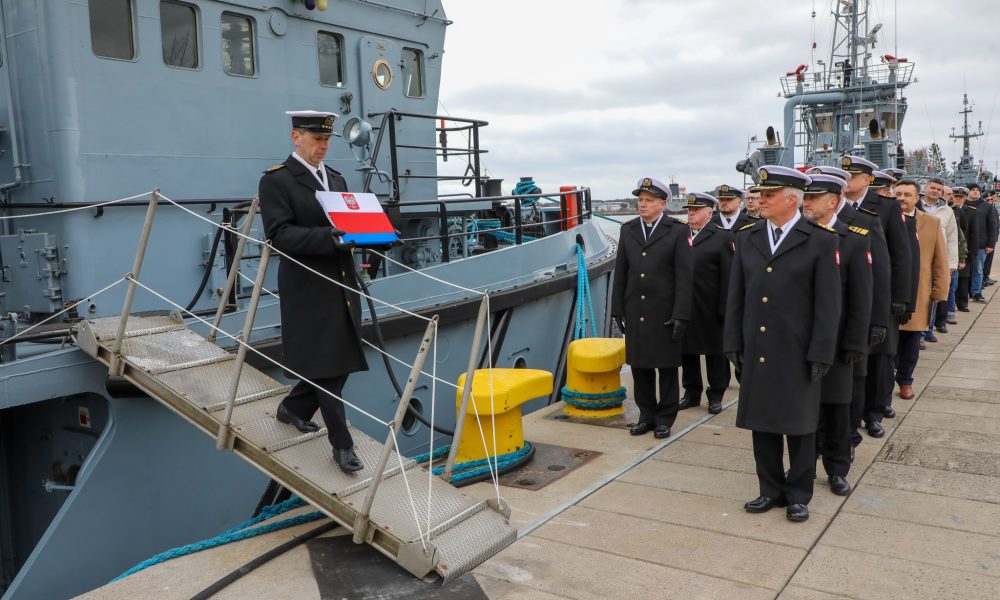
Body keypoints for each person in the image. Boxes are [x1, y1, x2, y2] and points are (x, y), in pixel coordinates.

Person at [724, 165, 841, 523]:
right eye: (760, 194)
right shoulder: (748, 237)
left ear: (791, 199)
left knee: (800, 426)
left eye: (769, 195)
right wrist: (732, 342)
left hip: (797, 350)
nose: (761, 200)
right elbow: (737, 295)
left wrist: (821, 351)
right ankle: (769, 489)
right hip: (758, 348)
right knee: (764, 424)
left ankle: (798, 493)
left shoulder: (821, 241)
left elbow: (828, 304)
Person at [259, 110, 367, 473]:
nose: (323, 146)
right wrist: (329, 238)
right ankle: (342, 445)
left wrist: (374, 234)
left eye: (326, 140)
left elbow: (349, 222)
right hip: (307, 285)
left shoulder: (335, 178)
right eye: (316, 139)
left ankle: (295, 408)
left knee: (341, 359)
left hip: (341, 281)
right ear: (296, 138)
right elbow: (279, 235)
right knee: (325, 365)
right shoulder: (277, 181)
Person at [809, 165, 893, 441]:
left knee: (852, 384)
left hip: (849, 324)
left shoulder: (862, 223)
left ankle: (850, 438)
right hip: (814, 327)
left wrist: (878, 320)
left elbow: (877, 278)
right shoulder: (804, 225)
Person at [801, 174, 873, 496]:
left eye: (813, 198)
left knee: (837, 410)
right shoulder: (798, 238)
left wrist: (856, 342)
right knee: (806, 410)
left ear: (832, 201)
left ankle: (838, 468)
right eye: (805, 197)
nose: (806, 203)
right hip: (804, 341)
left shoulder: (854, 238)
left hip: (840, 341)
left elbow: (861, 297)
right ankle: (804, 465)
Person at [612, 177, 693, 439]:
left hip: (665, 312)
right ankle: (646, 415)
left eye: (648, 201)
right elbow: (621, 271)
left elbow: (684, 277)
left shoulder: (677, 230)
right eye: (640, 200)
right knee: (640, 366)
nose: (642, 205)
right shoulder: (629, 230)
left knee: (666, 368)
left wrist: (681, 313)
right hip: (637, 309)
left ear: (662, 203)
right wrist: (617, 309)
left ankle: (664, 418)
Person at [839, 155, 914, 438]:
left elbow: (899, 255)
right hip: (850, 296)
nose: (846, 181)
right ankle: (850, 414)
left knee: (880, 358)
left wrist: (900, 298)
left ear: (867, 180)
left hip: (879, 296)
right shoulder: (834, 205)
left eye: (852, 176)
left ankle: (874, 413)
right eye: (844, 176)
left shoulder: (886, 207)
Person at [894, 180, 950, 400]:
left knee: (911, 341)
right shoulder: (882, 220)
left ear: (917, 198)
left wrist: (939, 291)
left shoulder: (931, 223)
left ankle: (906, 381)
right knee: (888, 344)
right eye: (898, 193)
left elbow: (940, 260)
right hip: (889, 293)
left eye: (907, 194)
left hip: (918, 291)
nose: (902, 198)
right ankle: (886, 381)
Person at [679, 192, 734, 415]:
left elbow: (729, 276)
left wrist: (725, 309)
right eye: (689, 210)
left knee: (715, 353)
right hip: (686, 305)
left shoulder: (722, 237)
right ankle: (691, 393)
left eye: (695, 210)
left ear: (709, 213)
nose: (690, 214)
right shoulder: (680, 234)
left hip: (711, 307)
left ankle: (716, 395)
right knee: (687, 352)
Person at [919, 178, 959, 339]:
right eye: (932, 188)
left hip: (937, 257)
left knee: (934, 295)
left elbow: (952, 237)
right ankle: (919, 331)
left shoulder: (947, 211)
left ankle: (928, 328)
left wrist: (951, 263)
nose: (935, 191)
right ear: (925, 188)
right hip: (918, 256)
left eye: (938, 189)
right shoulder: (916, 205)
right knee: (919, 294)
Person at [967, 183, 997, 303]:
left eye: (977, 190)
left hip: (980, 244)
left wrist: (991, 244)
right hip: (964, 244)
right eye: (972, 190)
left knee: (978, 270)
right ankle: (963, 293)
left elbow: (992, 226)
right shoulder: (963, 204)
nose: (975, 192)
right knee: (963, 272)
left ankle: (976, 292)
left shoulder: (986, 207)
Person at [953, 187, 977, 312]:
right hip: (951, 248)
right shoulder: (948, 209)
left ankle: (962, 303)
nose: (958, 198)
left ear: (964, 198)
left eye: (961, 197)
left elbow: (973, 233)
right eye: (956, 196)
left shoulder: (971, 211)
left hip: (964, 249)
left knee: (963, 278)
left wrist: (972, 252)